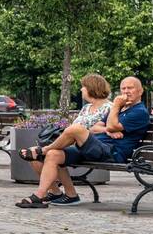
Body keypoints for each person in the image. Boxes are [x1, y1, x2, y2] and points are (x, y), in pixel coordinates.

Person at [16, 76, 150, 208]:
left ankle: (43, 153)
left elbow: (111, 125)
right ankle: (63, 195)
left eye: (130, 88)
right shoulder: (120, 109)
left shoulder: (139, 112)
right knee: (53, 154)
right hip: (94, 147)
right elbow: (95, 127)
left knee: (75, 130)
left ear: (140, 91)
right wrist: (107, 129)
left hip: (111, 152)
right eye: (123, 88)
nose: (126, 91)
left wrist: (115, 108)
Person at [23, 73, 112, 205]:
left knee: (48, 153)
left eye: (83, 86)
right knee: (34, 156)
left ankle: (45, 152)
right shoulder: (86, 108)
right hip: (75, 145)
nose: (81, 89)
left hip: (92, 148)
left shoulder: (110, 107)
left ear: (92, 88)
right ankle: (55, 192)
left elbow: (107, 129)